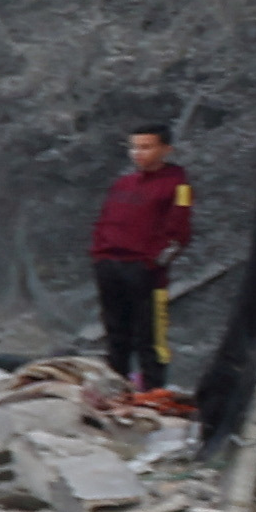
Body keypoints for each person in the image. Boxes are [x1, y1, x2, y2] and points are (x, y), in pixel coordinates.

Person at [92, 121, 192, 396]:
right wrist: (100, 255)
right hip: (110, 264)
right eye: (135, 147)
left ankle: (153, 389)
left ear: (165, 149)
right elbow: (104, 221)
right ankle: (116, 386)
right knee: (115, 331)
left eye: (146, 147)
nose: (138, 153)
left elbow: (179, 233)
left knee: (150, 335)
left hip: (144, 270)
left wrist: (153, 263)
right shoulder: (123, 184)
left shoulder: (177, 186)